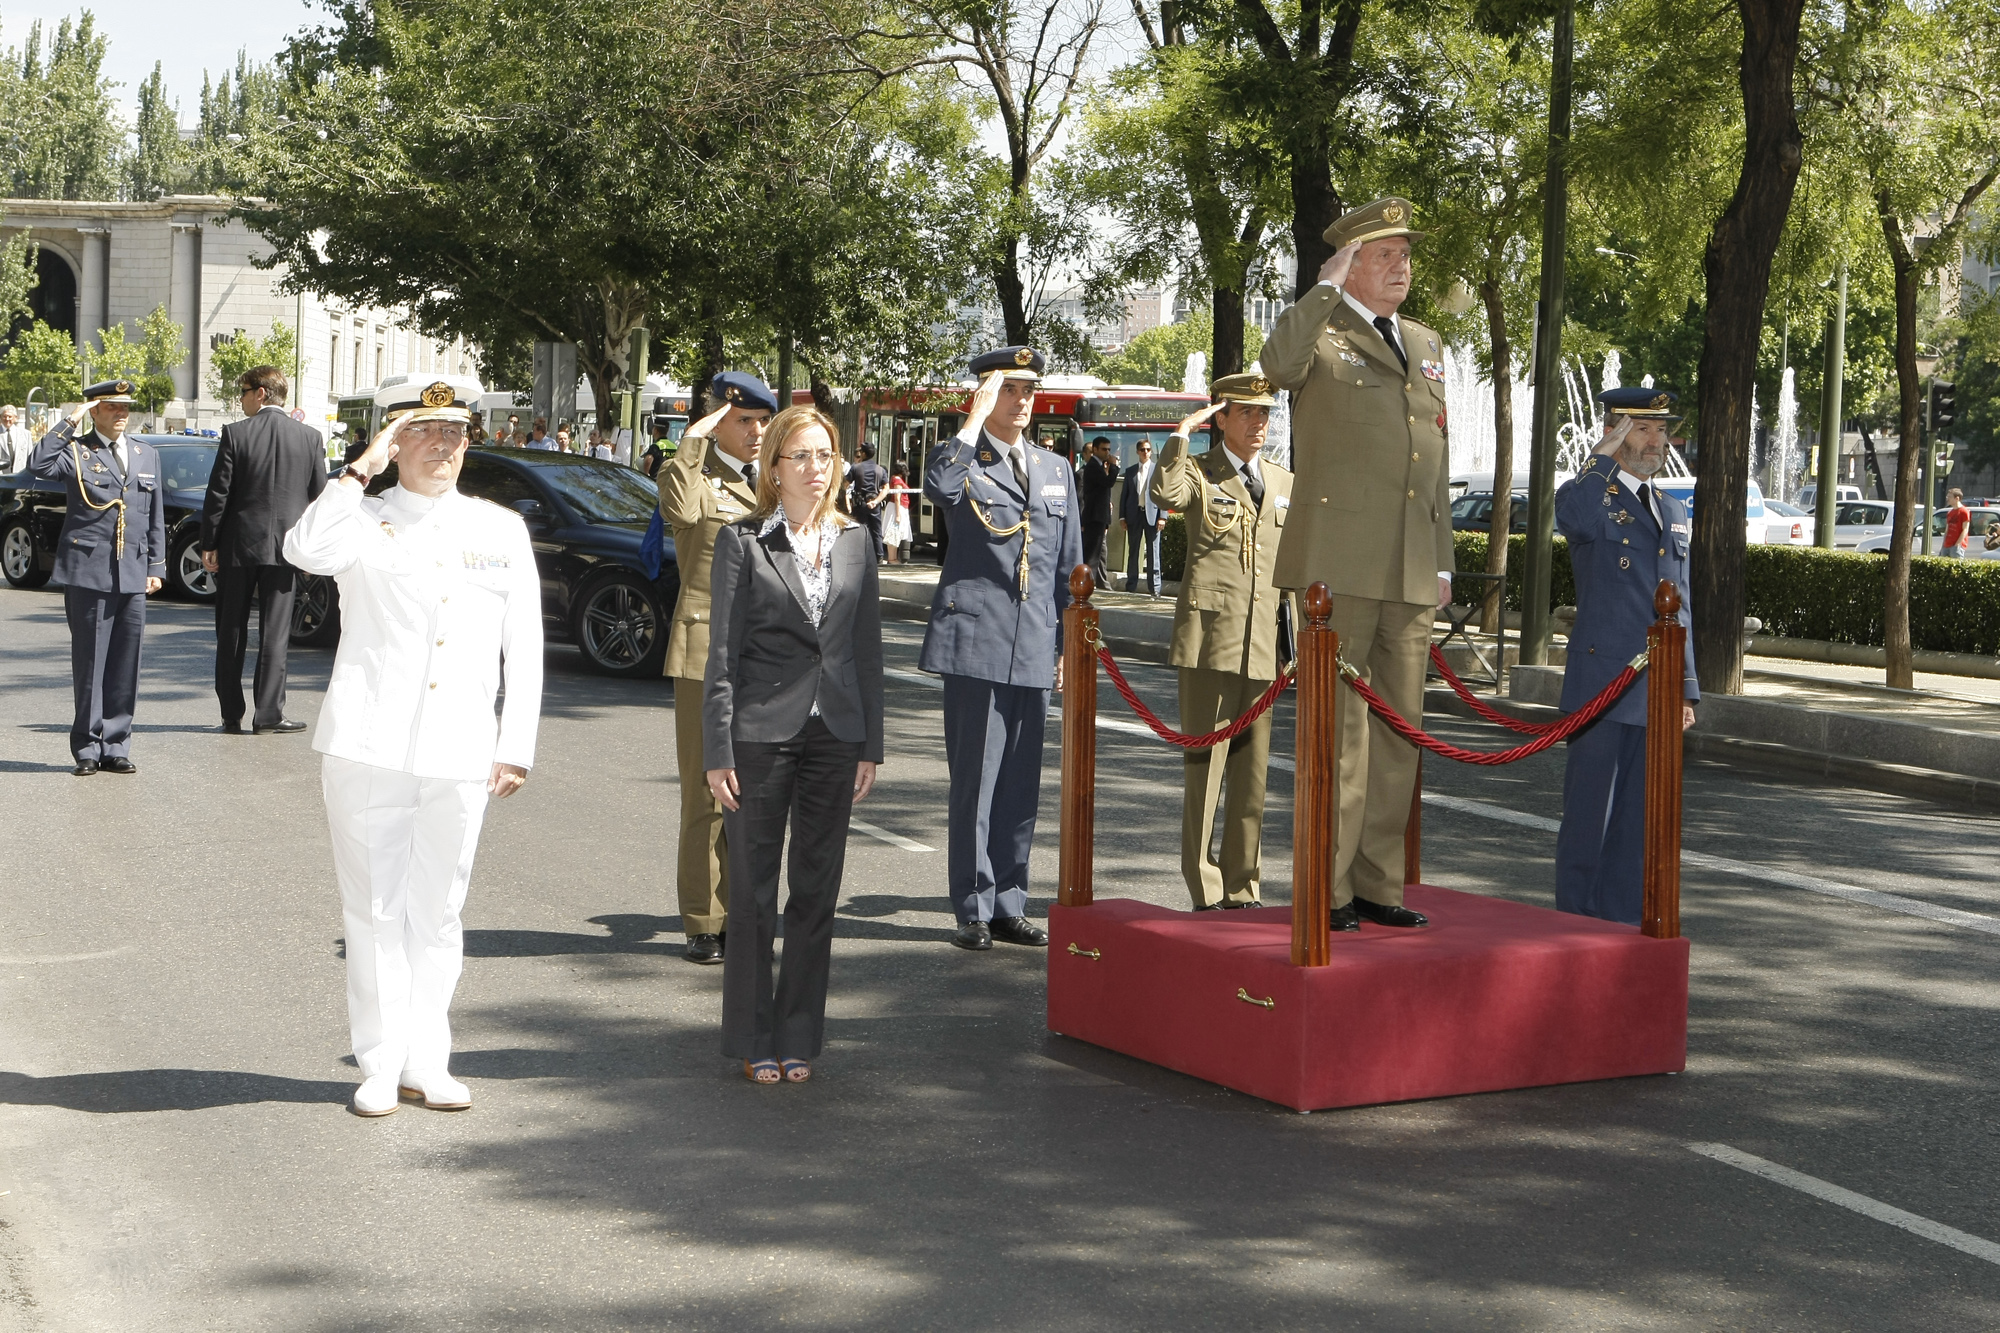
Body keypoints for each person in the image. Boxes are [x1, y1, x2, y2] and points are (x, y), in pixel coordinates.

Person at [282, 374, 542, 1118]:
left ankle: (428, 1061)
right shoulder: (361, 517)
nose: (440, 445)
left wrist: (516, 743)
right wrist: (358, 470)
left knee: (439, 912)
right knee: (373, 910)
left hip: (461, 747)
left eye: (453, 432)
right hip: (370, 743)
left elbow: (524, 645)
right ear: (393, 443)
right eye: (421, 432)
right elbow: (303, 548)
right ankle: (379, 1061)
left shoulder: (499, 528)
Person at [1262, 196, 1452, 932]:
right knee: (1337, 738)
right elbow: (1276, 366)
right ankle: (1328, 886)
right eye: (1384, 255)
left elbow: (1432, 460)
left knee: (1400, 736)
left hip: (1410, 567)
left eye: (1406, 255)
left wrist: (1442, 561)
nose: (1402, 267)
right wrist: (1324, 288)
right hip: (1337, 570)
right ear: (1349, 263)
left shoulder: (1425, 341)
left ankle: (1378, 882)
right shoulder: (1320, 330)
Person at [703, 406, 884, 1084]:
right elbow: (721, 656)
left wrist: (870, 744)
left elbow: (866, 649)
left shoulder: (856, 540)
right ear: (774, 468)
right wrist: (717, 750)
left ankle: (799, 1033)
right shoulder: (743, 540)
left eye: (825, 455)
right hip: (758, 736)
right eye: (801, 456)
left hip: (835, 733)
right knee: (752, 892)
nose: (815, 468)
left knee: (816, 890)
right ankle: (754, 1036)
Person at [921, 347, 1082, 951]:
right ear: (987, 395)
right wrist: (973, 419)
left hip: (1034, 640)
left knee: (1020, 783)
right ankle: (973, 906)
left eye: (1028, 391)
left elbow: (1069, 566)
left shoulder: (1054, 468)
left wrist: (1066, 644)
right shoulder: (963, 459)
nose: (1021, 401)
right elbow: (939, 488)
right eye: (1008, 390)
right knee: (977, 781)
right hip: (976, 641)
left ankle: (1011, 902)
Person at [1552, 387, 1698, 925]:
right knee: (1591, 816)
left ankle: (1621, 925)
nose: (1656, 440)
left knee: (1640, 821)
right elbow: (1573, 522)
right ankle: (1576, 923)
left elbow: (1682, 605)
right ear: (1614, 433)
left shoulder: (1672, 508)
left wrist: (1686, 688)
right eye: (1642, 429)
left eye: (1662, 430)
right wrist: (1599, 459)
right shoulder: (1590, 493)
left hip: (1656, 687)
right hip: (1603, 684)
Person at [1150, 374, 1294, 910]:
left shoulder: (1282, 481)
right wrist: (1181, 435)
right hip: (1210, 641)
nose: (1259, 423)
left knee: (1252, 777)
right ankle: (1205, 886)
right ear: (1222, 418)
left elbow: (1293, 568)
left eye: (1265, 414)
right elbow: (1164, 494)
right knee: (1205, 772)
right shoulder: (1198, 471)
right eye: (1247, 413)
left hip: (1263, 644)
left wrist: (1299, 643)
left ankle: (1242, 885)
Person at [658, 372, 779, 964]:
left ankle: (743, 914)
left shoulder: (772, 482)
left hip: (766, 654)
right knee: (707, 792)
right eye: (743, 420)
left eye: (763, 421)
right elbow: (679, 509)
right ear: (715, 423)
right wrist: (695, 438)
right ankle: (704, 921)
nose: (756, 432)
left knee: (755, 794)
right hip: (705, 649)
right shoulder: (690, 477)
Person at [30, 380, 169, 776]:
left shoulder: (145, 453)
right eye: (112, 407)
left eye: (126, 407)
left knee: (126, 663)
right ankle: (88, 748)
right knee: (91, 663)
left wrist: (156, 567)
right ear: (94, 411)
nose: (122, 413)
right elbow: (38, 465)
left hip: (133, 572)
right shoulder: (76, 451)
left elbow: (154, 514)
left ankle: (116, 745)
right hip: (89, 571)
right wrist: (69, 421)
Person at [199, 366, 328, 736]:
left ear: (260, 393)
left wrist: (209, 543)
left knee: (231, 630)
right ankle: (268, 713)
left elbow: (219, 493)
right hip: (286, 549)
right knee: (275, 633)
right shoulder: (309, 437)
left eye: (243, 392)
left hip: (238, 545)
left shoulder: (236, 433)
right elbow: (319, 499)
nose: (240, 399)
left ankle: (231, 712)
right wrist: (312, 549)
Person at [1120, 437, 1163, 597]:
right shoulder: (1130, 471)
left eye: (1148, 450)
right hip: (1134, 514)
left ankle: (1155, 588)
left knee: (1153, 552)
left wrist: (1163, 516)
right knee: (1133, 551)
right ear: (1138, 452)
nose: (1146, 452)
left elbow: (1163, 494)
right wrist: (1122, 517)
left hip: (1152, 515)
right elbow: (1125, 495)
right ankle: (1131, 585)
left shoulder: (1158, 470)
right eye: (1143, 450)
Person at [1078, 436, 1115, 591]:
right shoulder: (1093, 466)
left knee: (1097, 552)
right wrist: (1114, 467)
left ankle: (1090, 582)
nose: (1107, 452)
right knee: (1092, 554)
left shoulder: (1099, 466)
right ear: (1095, 449)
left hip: (1099, 516)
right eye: (1104, 449)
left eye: (1109, 449)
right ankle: (1086, 583)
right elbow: (1108, 483)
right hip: (1094, 516)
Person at [846, 443, 889, 562]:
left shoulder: (856, 468)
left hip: (860, 504)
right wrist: (876, 501)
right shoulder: (880, 469)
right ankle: (879, 556)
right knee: (876, 530)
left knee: (859, 530)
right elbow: (886, 488)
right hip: (874, 504)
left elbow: (845, 484)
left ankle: (860, 555)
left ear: (863, 453)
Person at [881, 465, 912, 564]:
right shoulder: (897, 480)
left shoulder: (895, 479)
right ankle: (892, 558)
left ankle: (893, 558)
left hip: (898, 508)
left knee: (895, 533)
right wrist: (898, 515)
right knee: (893, 532)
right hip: (897, 509)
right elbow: (897, 498)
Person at [0, 403, 32, 472]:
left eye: (10, 416)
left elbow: (30, 457)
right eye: (4, 416)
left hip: (20, 475)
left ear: (15, 418)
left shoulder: (26, 434)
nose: (7, 419)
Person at [1943, 488, 1971, 557]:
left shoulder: (1964, 511)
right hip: (1946, 545)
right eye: (1947, 497)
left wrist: (1957, 544)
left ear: (1957, 498)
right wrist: (1944, 544)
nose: (1947, 499)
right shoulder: (1950, 512)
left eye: (1949, 497)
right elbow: (1947, 530)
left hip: (1957, 546)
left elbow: (1965, 529)